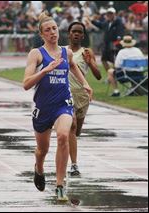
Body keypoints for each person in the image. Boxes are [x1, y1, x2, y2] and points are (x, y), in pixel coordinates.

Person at [23, 12, 93, 201]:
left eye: (54, 28)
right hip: (43, 108)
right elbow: (26, 84)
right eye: (48, 30)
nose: (53, 32)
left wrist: (85, 83)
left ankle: (60, 184)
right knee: (42, 150)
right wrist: (45, 70)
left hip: (63, 104)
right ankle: (39, 166)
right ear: (42, 34)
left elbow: (72, 65)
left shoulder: (66, 52)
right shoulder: (36, 54)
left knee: (63, 135)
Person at [66, 22, 101, 176]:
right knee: (71, 127)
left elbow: (98, 76)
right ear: (69, 33)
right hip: (66, 96)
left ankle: (71, 141)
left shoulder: (86, 52)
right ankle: (74, 165)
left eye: (80, 32)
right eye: (74, 31)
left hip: (82, 96)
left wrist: (90, 62)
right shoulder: (63, 51)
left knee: (76, 131)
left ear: (83, 35)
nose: (76, 34)